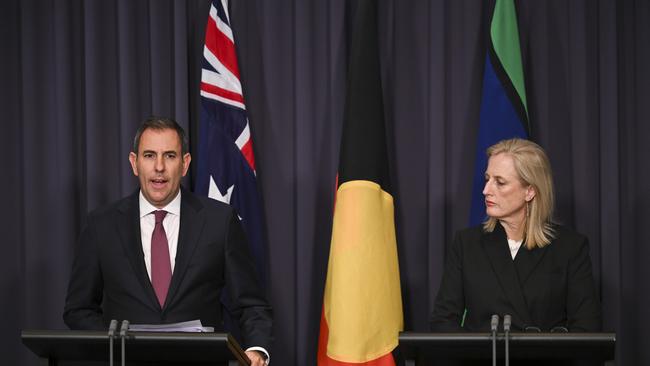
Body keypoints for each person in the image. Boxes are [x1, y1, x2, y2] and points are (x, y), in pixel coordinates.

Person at [64, 117, 272, 366]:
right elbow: (78, 310)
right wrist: (115, 343)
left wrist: (257, 349)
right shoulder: (101, 225)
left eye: (170, 156)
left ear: (185, 164)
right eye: (149, 155)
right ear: (134, 163)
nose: (159, 167)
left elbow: (251, 304)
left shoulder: (220, 221)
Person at [430, 138, 601, 334]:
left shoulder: (570, 248)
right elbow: (443, 322)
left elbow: (586, 330)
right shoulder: (466, 244)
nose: (486, 191)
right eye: (487, 179)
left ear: (530, 191)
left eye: (500, 183)